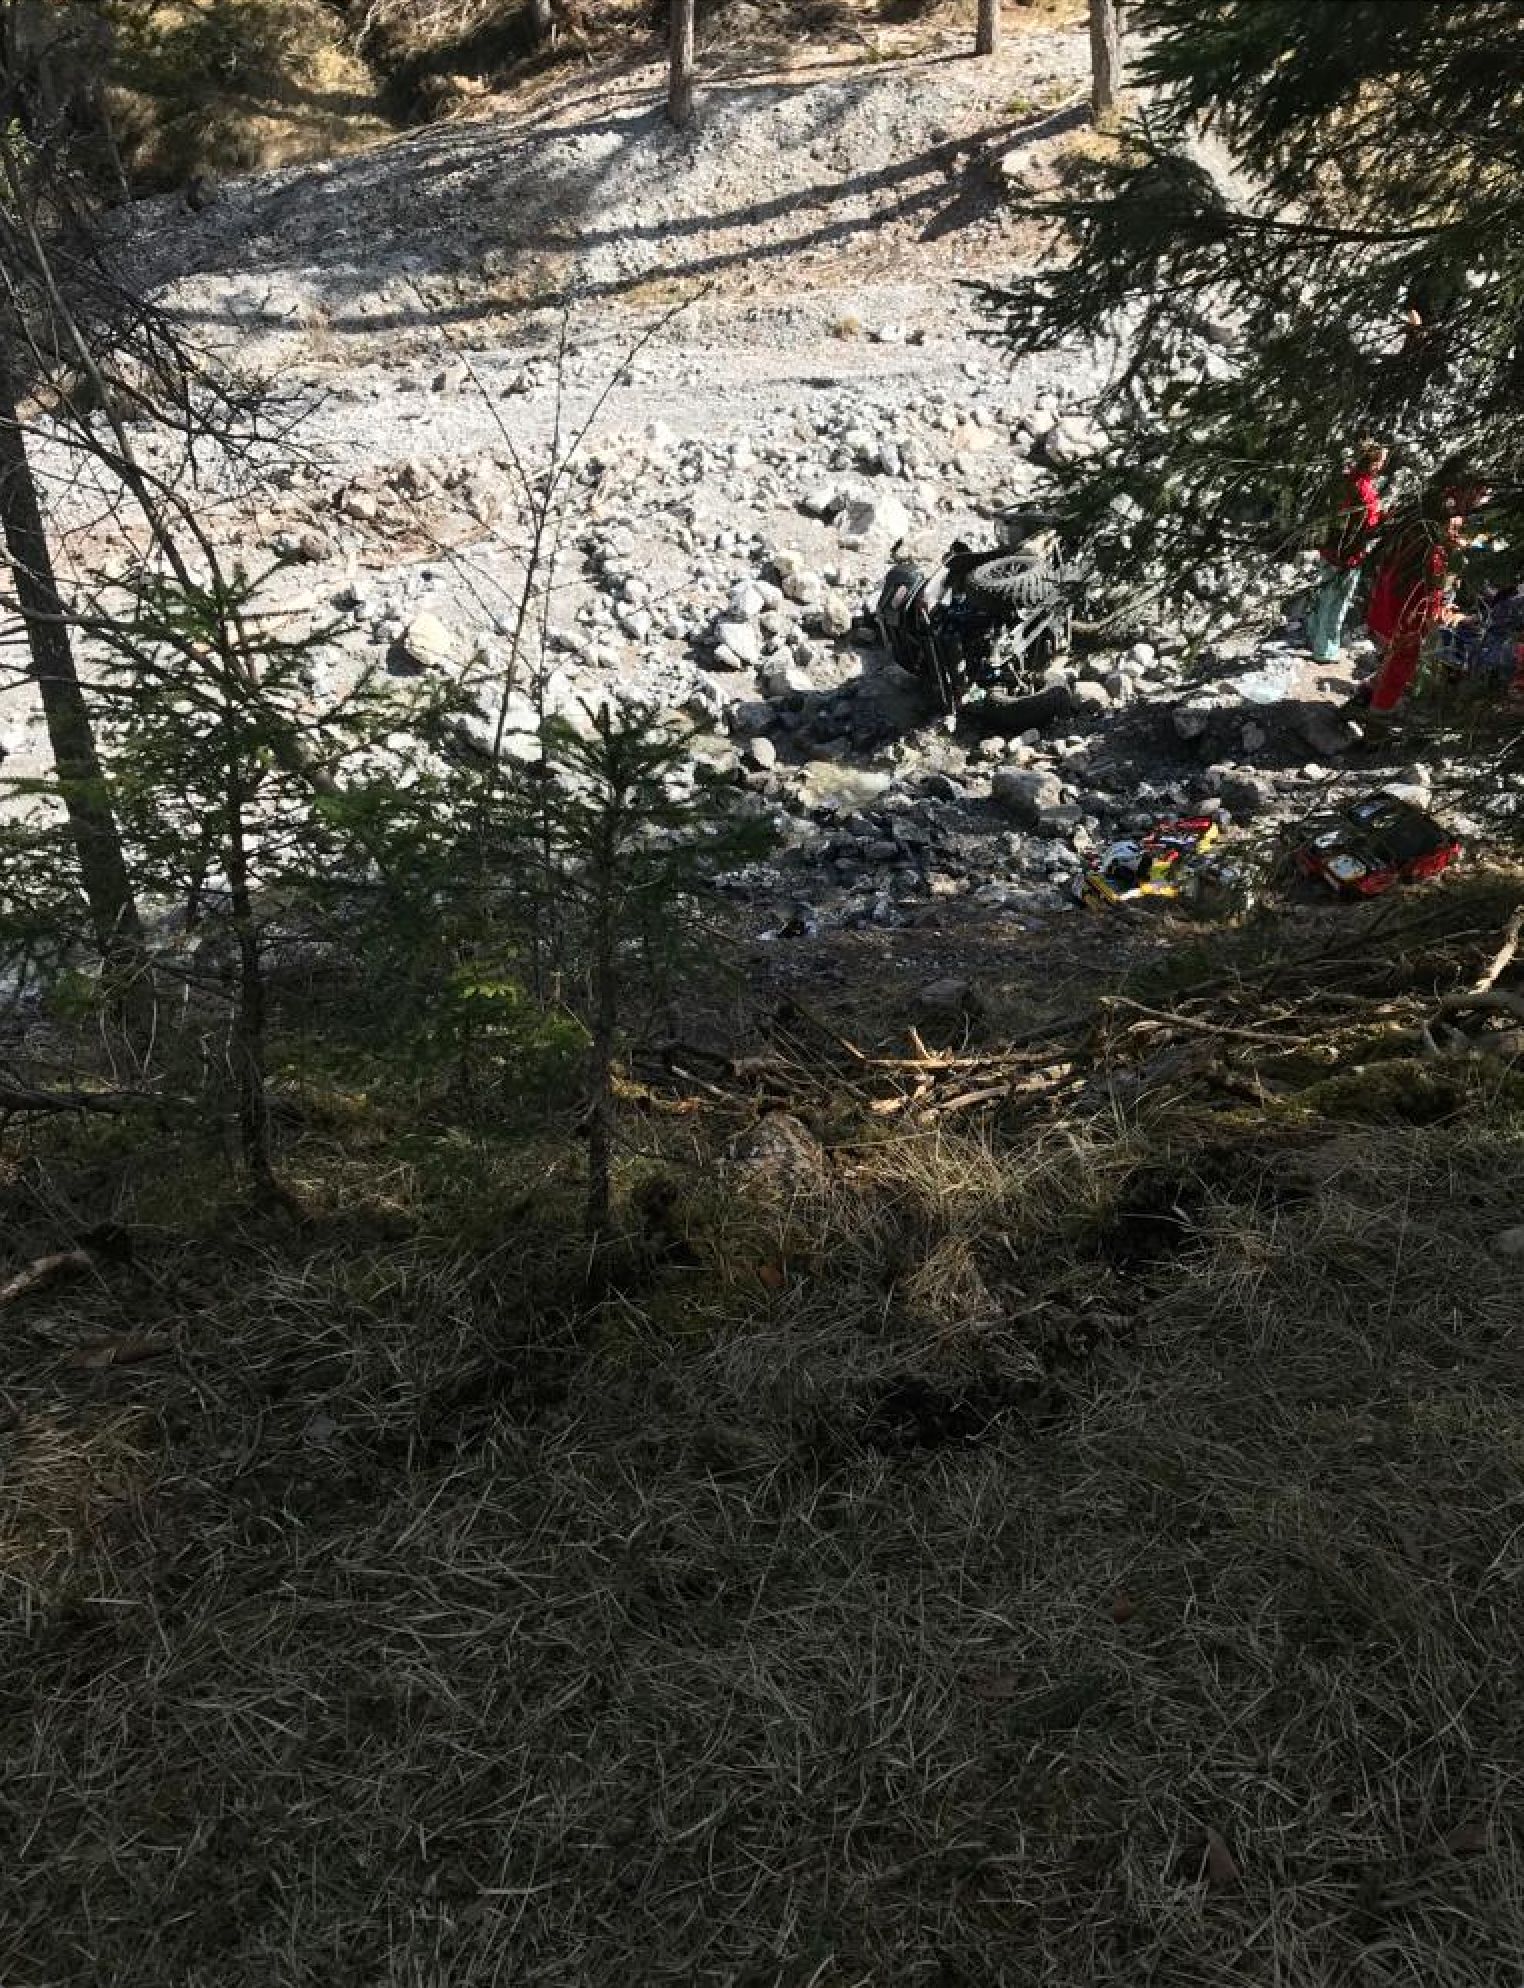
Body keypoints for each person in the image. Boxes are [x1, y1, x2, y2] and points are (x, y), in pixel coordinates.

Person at [1364, 472, 1491, 716]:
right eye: (1480, 494)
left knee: (1395, 655)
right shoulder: (1432, 550)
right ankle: (1378, 714)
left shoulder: (1425, 522)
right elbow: (1426, 589)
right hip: (1410, 610)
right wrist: (1438, 614)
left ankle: (1371, 692)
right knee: (1402, 660)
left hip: (1398, 600)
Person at [1306, 438, 1388, 663]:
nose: (1382, 466)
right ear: (1372, 463)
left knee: (1326, 596)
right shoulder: (1363, 488)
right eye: (1380, 461)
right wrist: (1384, 516)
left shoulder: (1347, 480)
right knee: (1337, 600)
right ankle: (1325, 649)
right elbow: (1369, 523)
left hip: (1331, 549)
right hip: (1348, 554)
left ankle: (1315, 637)